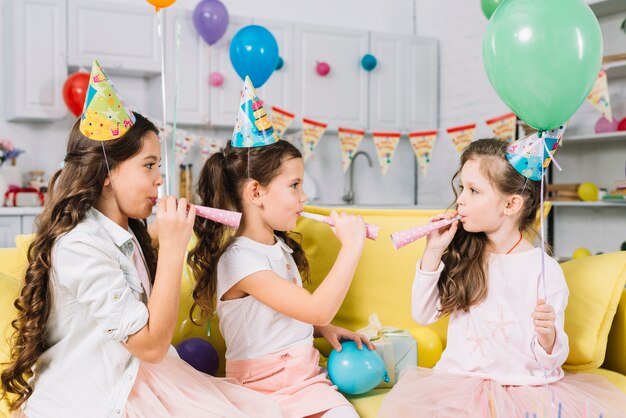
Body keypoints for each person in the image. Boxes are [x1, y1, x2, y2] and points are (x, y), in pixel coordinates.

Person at [0, 61, 280, 418]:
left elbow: (121, 266)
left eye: (158, 167)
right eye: (148, 166)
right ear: (106, 173)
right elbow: (150, 346)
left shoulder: (127, 233)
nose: (159, 180)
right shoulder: (78, 246)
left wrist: (157, 235)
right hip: (96, 396)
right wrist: (175, 248)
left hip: (134, 377)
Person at [379, 138, 626, 417]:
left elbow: (551, 360)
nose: (460, 199)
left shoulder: (543, 269)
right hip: (458, 384)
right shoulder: (463, 254)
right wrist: (433, 250)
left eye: (474, 191)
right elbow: (423, 315)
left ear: (510, 205)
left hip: (525, 387)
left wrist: (549, 335)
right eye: (462, 188)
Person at [188, 76, 370, 418]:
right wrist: (351, 248)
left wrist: (319, 329)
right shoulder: (239, 260)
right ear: (256, 193)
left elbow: (284, 314)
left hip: (305, 380)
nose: (305, 197)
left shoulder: (278, 247)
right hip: (258, 390)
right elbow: (316, 307)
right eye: (295, 185)